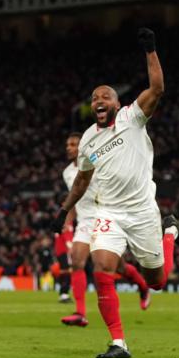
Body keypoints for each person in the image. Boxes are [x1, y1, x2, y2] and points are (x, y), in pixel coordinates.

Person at [51, 28, 179, 358]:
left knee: (157, 280)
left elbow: (157, 88)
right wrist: (64, 209)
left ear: (116, 102)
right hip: (108, 212)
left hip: (141, 210)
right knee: (101, 266)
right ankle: (118, 342)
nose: (99, 101)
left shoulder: (132, 117)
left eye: (105, 96)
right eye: (94, 98)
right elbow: (82, 182)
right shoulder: (87, 140)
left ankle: (170, 233)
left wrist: (151, 51)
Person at [58, 133, 151, 328]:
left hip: (104, 217)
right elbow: (75, 197)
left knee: (120, 268)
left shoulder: (96, 163)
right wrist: (67, 220)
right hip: (84, 220)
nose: (68, 147)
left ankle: (142, 286)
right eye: (67, 144)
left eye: (73, 144)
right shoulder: (67, 172)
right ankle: (80, 313)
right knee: (76, 260)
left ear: (82, 147)